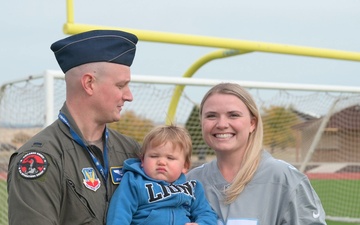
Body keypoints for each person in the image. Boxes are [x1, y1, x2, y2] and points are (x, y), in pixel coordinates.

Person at [7, 30, 142, 225]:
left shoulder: (131, 150)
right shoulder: (40, 159)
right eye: (121, 86)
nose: (129, 96)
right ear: (89, 83)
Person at [186, 83, 327, 225]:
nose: (222, 124)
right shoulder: (190, 181)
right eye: (211, 116)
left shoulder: (284, 178)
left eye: (233, 115)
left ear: (252, 123)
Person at [106, 124, 217, 225]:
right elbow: (119, 213)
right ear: (143, 161)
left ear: (185, 166)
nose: (162, 162)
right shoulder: (133, 182)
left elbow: (206, 213)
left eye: (170, 158)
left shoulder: (192, 188)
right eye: (154, 156)